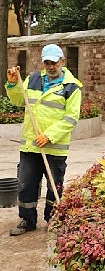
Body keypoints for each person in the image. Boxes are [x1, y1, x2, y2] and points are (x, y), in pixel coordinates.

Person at [5, 44, 83, 236]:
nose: (50, 66)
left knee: (54, 185)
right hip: (31, 146)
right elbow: (18, 101)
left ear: (62, 62)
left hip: (54, 148)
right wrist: (14, 85)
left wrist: (49, 136)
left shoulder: (72, 87)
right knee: (26, 184)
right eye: (47, 62)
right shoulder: (32, 79)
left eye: (54, 62)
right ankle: (27, 219)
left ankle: (52, 219)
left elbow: (71, 118)